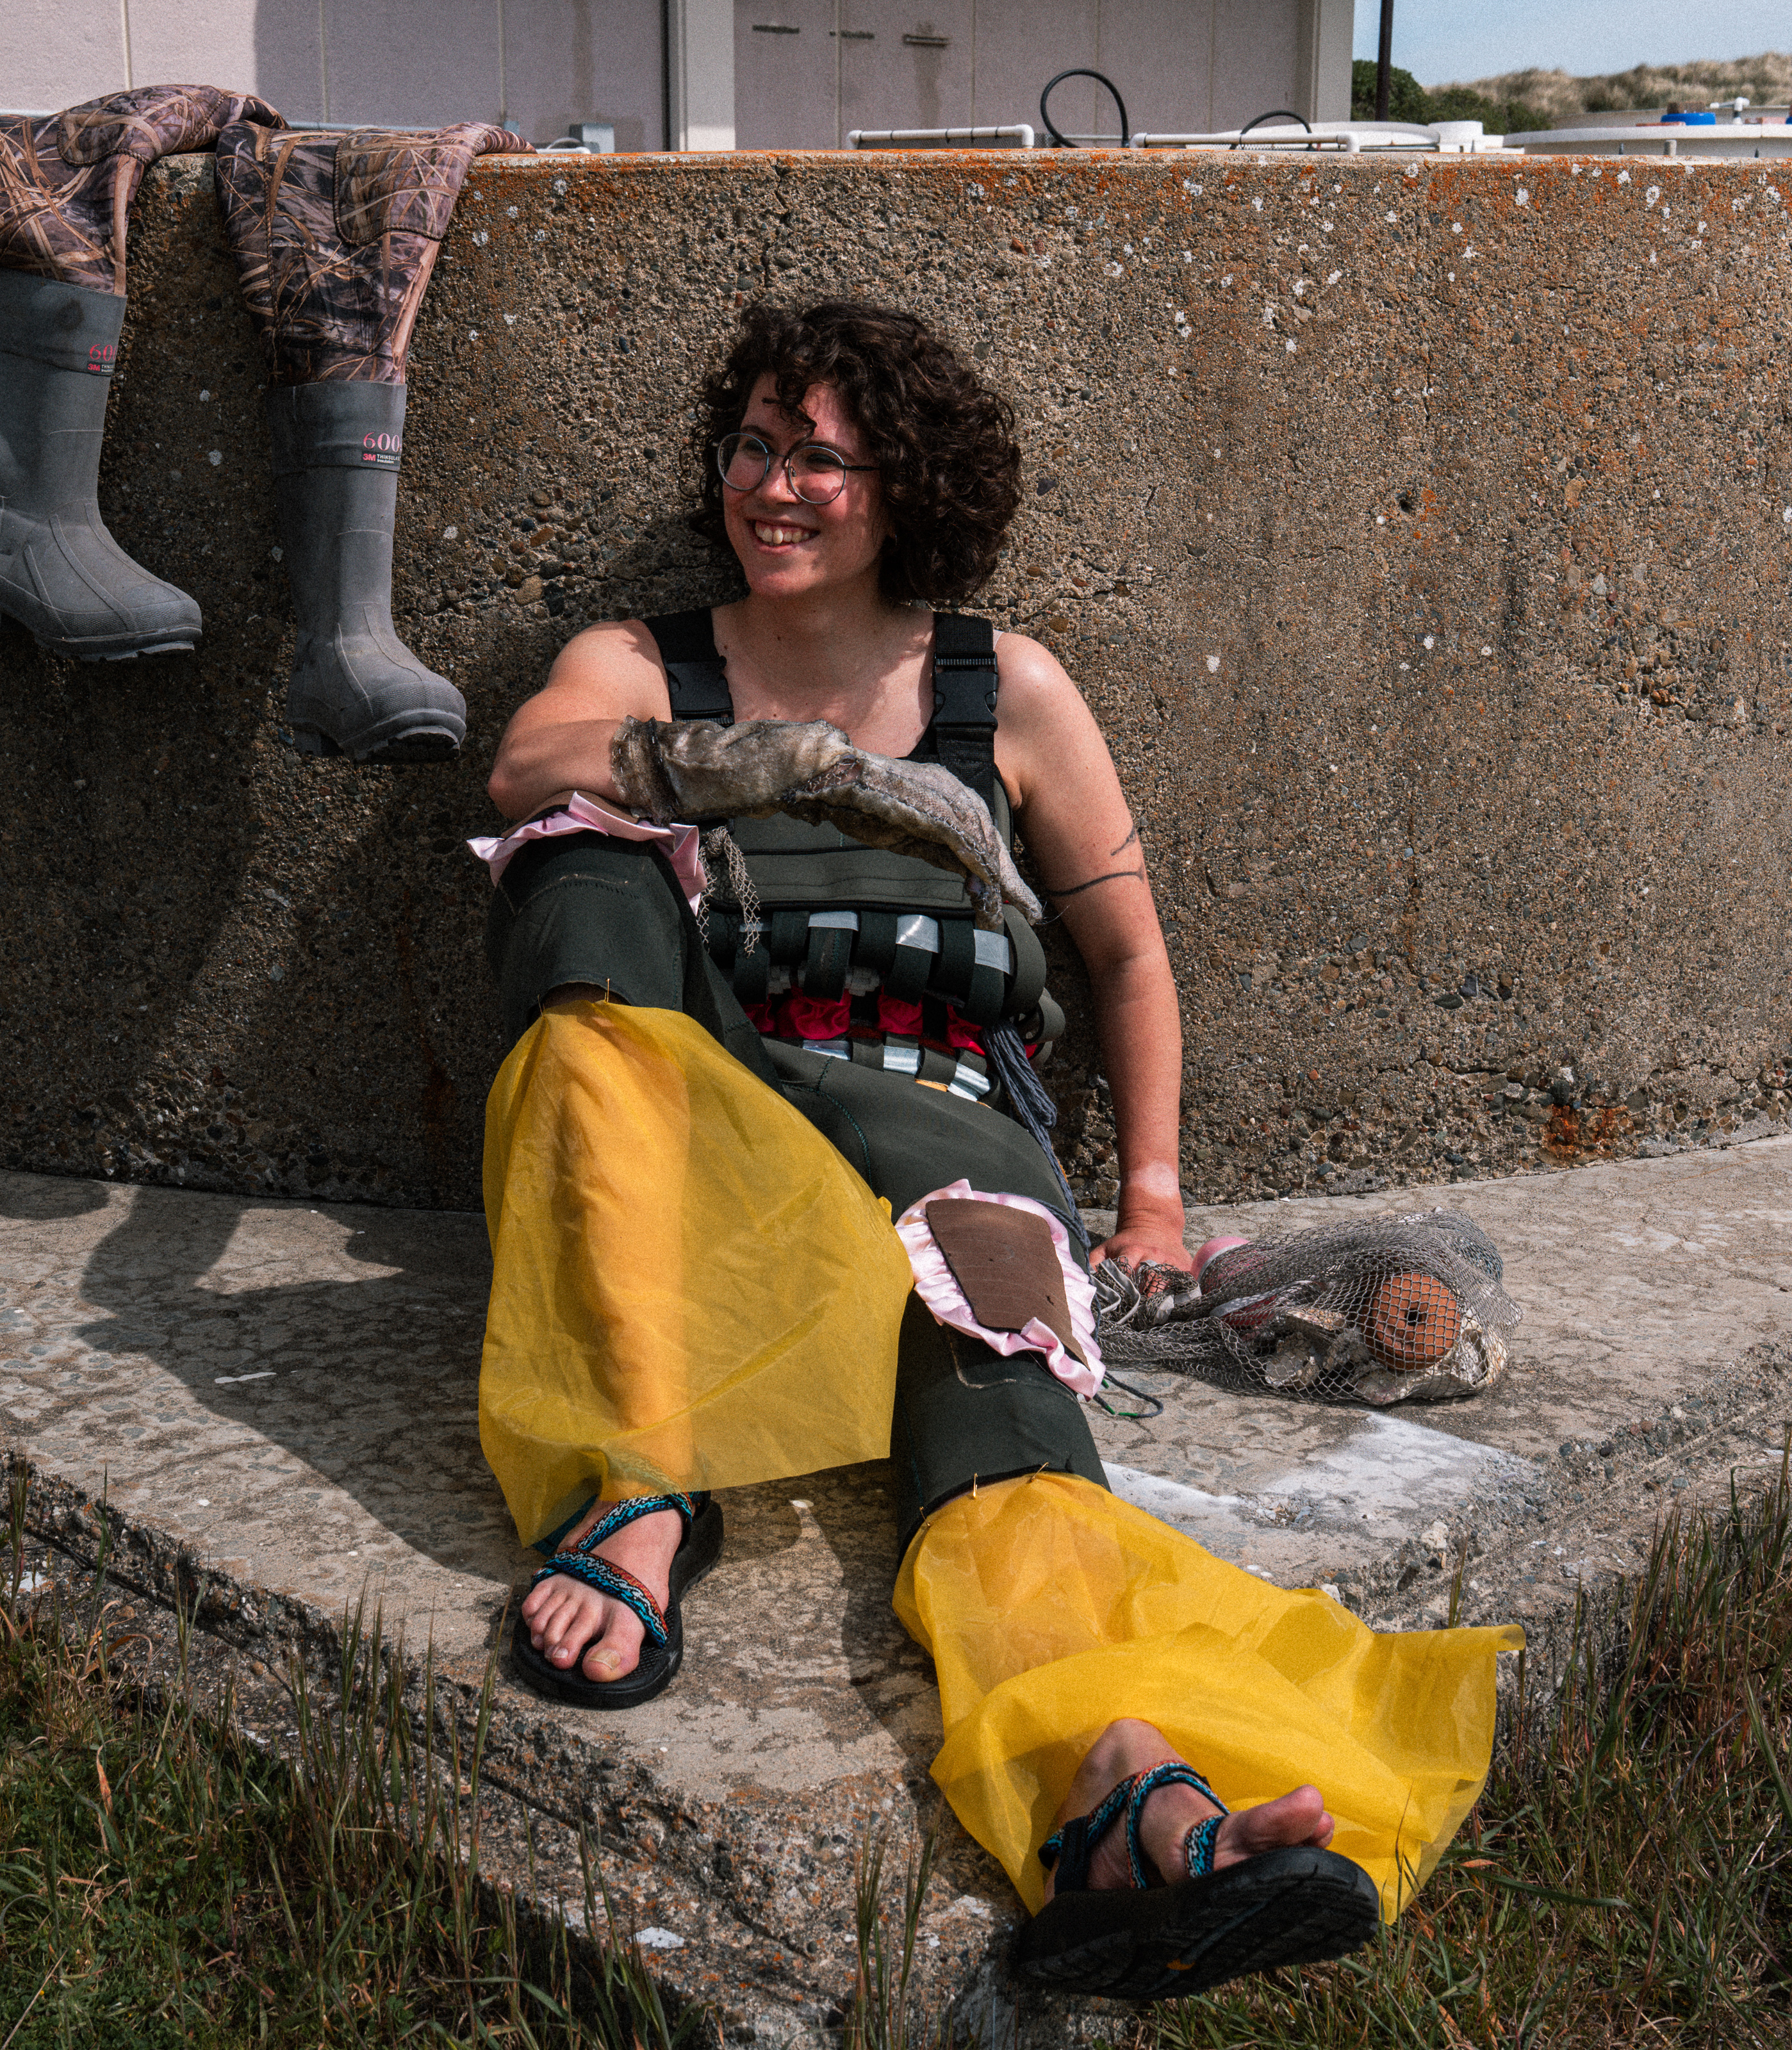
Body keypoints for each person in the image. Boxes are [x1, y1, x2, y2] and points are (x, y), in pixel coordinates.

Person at [470, 300, 1515, 2000]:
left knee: (1002, 1390)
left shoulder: (1001, 686)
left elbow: (1130, 957)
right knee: (577, 878)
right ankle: (640, 1485)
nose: (773, 483)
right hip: (707, 1142)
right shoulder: (647, 663)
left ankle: (1109, 1787)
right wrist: (759, 767)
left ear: (907, 485)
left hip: (948, 1136)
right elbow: (528, 761)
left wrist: (1154, 1202)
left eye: (821, 453)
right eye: (752, 443)